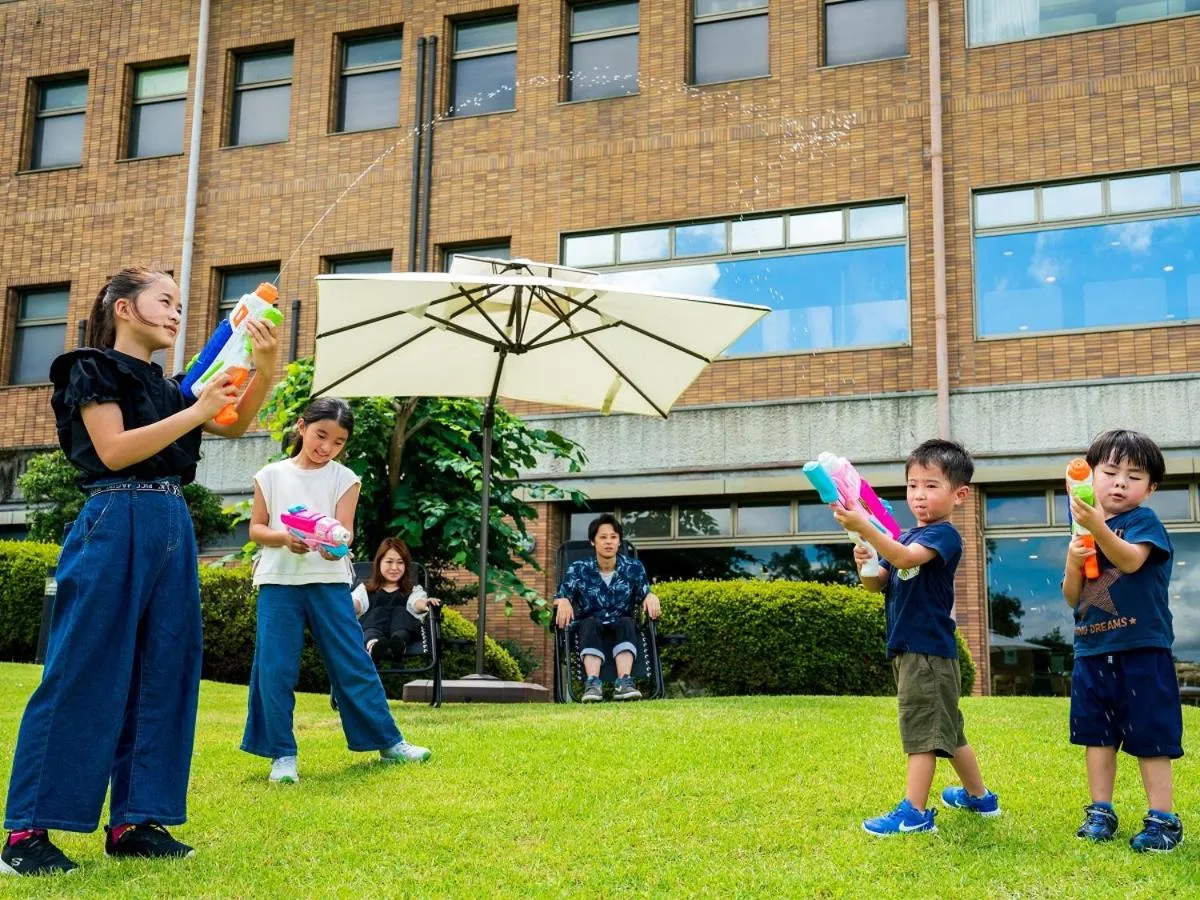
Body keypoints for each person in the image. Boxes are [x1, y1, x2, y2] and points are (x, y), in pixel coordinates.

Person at [2, 266, 278, 876]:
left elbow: (231, 420)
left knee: (165, 672)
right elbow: (116, 450)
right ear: (124, 308)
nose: (177, 313)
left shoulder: (171, 385)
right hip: (115, 515)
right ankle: (25, 834)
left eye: (181, 305)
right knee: (83, 668)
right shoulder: (89, 367)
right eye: (165, 301)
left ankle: (135, 820)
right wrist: (197, 406)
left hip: (171, 523)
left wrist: (265, 365)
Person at [242, 398, 431, 785]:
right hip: (278, 581)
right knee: (274, 669)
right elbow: (256, 529)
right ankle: (282, 755)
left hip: (328, 581)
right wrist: (284, 538)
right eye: (320, 435)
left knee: (352, 661)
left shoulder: (344, 478)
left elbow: (345, 533)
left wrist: (333, 549)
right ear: (301, 427)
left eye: (338, 442)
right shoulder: (270, 475)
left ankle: (388, 742)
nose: (326, 447)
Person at [833, 439, 1000, 836]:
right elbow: (878, 584)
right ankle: (980, 798)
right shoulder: (904, 536)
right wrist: (866, 559)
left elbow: (907, 561)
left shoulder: (944, 536)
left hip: (927, 649)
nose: (919, 495)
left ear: (959, 495)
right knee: (950, 729)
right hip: (912, 647)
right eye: (912, 485)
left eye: (931, 485)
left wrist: (867, 529)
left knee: (921, 732)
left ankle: (915, 812)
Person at [1062, 429, 1183, 852]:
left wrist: (1097, 526)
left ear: (1149, 488)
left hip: (1141, 649)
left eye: (1133, 476)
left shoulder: (1143, 522)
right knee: (1097, 736)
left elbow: (1130, 560)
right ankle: (1100, 811)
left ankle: (1163, 820)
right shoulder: (1081, 527)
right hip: (1092, 649)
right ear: (1090, 477)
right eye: (1109, 471)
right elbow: (1073, 596)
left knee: (1152, 736)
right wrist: (1075, 560)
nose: (1119, 482)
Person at [553, 513, 661, 702]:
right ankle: (593, 684)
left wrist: (650, 596)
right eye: (603, 537)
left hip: (622, 625)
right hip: (590, 626)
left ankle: (624, 683)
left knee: (628, 622)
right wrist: (562, 601)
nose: (608, 542)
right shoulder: (578, 569)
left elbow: (644, 593)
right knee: (589, 623)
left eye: (613, 537)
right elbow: (562, 596)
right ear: (593, 542)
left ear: (619, 541)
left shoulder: (633, 567)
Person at [352, 537, 442, 662]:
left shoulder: (413, 590)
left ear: (406, 565)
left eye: (400, 562)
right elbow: (357, 603)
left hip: (402, 632)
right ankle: (375, 648)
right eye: (389, 562)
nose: (394, 567)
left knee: (400, 612)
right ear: (379, 563)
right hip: (373, 629)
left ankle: (399, 646)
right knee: (375, 615)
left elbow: (416, 603)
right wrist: (349, 604)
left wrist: (425, 604)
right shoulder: (365, 589)